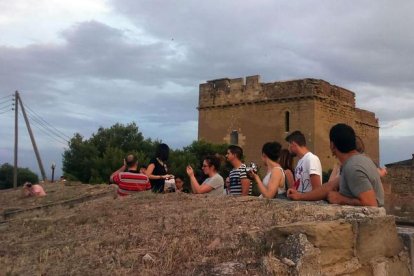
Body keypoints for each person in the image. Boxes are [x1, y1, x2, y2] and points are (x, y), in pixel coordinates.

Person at [287, 123, 384, 207]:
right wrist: (300, 196)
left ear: (332, 145)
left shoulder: (353, 167)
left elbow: (372, 204)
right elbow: (328, 187)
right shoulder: (357, 162)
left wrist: (341, 199)